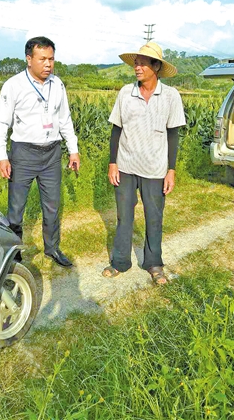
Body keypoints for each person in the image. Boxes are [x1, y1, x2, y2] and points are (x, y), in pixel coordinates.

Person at [0, 36, 80, 267]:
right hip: (23, 154)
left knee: (52, 206)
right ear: (29, 59)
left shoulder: (58, 85)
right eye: (43, 59)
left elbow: (65, 119)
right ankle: (14, 254)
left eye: (51, 59)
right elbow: (1, 122)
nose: (48, 64)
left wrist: (73, 150)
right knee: (16, 209)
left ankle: (52, 248)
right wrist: (2, 156)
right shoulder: (13, 85)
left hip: (52, 153)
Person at [102, 42, 186, 284]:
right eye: (135, 62)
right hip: (126, 165)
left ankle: (153, 263)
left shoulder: (170, 96)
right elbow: (116, 130)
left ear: (156, 66)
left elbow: (173, 135)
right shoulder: (125, 93)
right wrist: (112, 163)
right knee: (123, 216)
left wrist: (171, 170)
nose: (137, 67)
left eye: (142, 62)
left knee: (154, 217)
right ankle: (120, 262)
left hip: (155, 168)